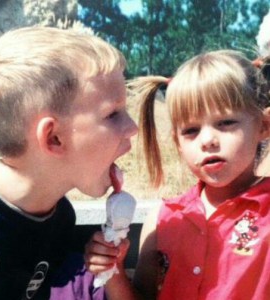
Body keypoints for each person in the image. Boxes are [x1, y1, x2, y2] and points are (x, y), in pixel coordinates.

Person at [85, 50, 270, 300]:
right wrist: (112, 269)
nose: (207, 140)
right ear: (178, 143)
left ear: (264, 126)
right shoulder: (163, 220)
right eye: (191, 130)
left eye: (225, 123)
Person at [0, 26, 138, 300]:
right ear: (54, 138)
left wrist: (107, 264)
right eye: (113, 114)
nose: (132, 127)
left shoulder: (60, 220)